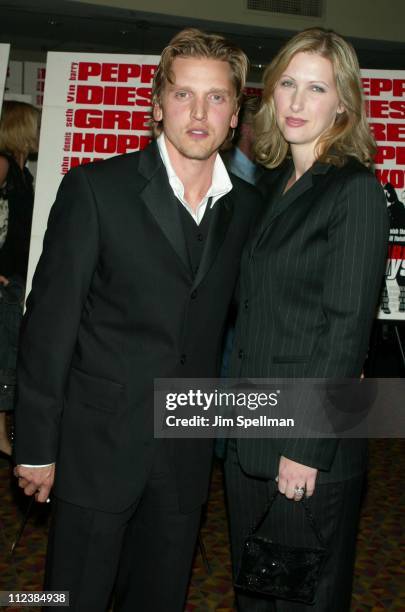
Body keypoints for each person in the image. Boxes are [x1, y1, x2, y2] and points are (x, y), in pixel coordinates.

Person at [13, 28, 262, 612]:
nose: (199, 112)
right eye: (183, 95)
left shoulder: (248, 209)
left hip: (185, 453)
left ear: (234, 115)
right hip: (95, 448)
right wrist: (36, 446)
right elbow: (49, 325)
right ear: (157, 105)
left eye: (217, 97)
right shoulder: (97, 190)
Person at [225, 28, 388, 611]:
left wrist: (305, 445)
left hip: (306, 446)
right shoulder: (271, 185)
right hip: (251, 433)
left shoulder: (355, 191)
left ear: (343, 102)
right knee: (256, 595)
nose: (296, 102)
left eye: (315, 88)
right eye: (287, 84)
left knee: (299, 602)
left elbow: (346, 330)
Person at [0, 100, 40, 459]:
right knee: (5, 355)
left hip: (17, 276)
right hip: (6, 279)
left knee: (11, 353)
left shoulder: (22, 170)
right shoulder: (3, 166)